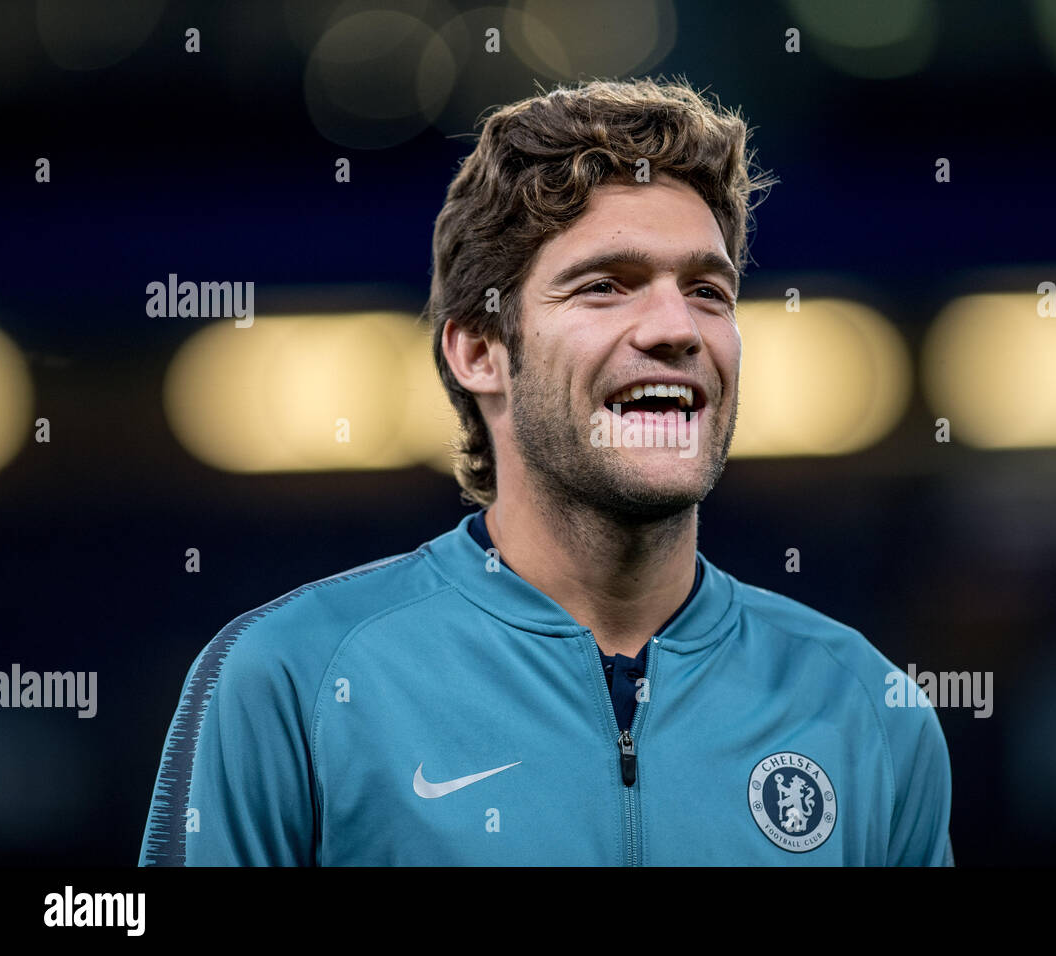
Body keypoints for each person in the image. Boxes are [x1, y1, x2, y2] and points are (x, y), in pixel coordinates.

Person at [139, 76, 952, 865]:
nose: (677, 326)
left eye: (708, 290)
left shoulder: (866, 708)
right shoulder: (295, 678)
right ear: (480, 351)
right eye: (606, 286)